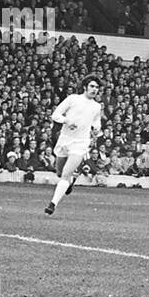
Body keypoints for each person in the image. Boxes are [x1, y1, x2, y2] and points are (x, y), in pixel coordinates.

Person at [44, 75, 103, 215]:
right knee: (59, 172)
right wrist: (67, 121)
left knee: (65, 173)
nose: (94, 89)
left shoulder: (96, 106)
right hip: (65, 140)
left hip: (81, 143)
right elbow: (55, 115)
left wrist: (96, 129)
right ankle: (70, 182)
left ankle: (52, 204)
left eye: (97, 87)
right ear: (85, 87)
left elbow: (97, 122)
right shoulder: (73, 99)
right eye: (92, 86)